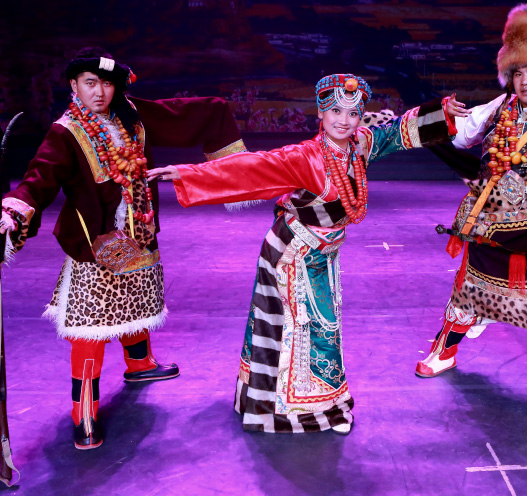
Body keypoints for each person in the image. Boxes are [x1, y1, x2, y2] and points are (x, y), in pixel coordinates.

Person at [149, 73, 465, 434]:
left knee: (318, 326)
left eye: (353, 113)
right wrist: (186, 174)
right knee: (307, 328)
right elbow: (250, 168)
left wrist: (441, 113)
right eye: (335, 111)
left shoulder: (359, 146)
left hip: (321, 255)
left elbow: (395, 133)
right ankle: (307, 411)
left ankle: (300, 403)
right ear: (320, 112)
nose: (344, 120)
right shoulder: (306, 157)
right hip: (292, 255)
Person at [0, 47, 247, 449]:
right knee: (90, 327)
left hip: (139, 232)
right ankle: (84, 413)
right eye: (90, 83)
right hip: (95, 244)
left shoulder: (130, 114)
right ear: (74, 85)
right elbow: (39, 177)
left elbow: (181, 115)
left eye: (107, 84)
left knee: (137, 300)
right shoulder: (65, 132)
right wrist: (13, 211)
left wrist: (220, 116)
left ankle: (139, 363)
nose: (99, 92)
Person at [416, 4, 527, 439]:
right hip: (489, 233)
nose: (525, 81)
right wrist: (440, 116)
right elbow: (463, 134)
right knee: (468, 296)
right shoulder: (502, 108)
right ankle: (445, 352)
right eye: (518, 73)